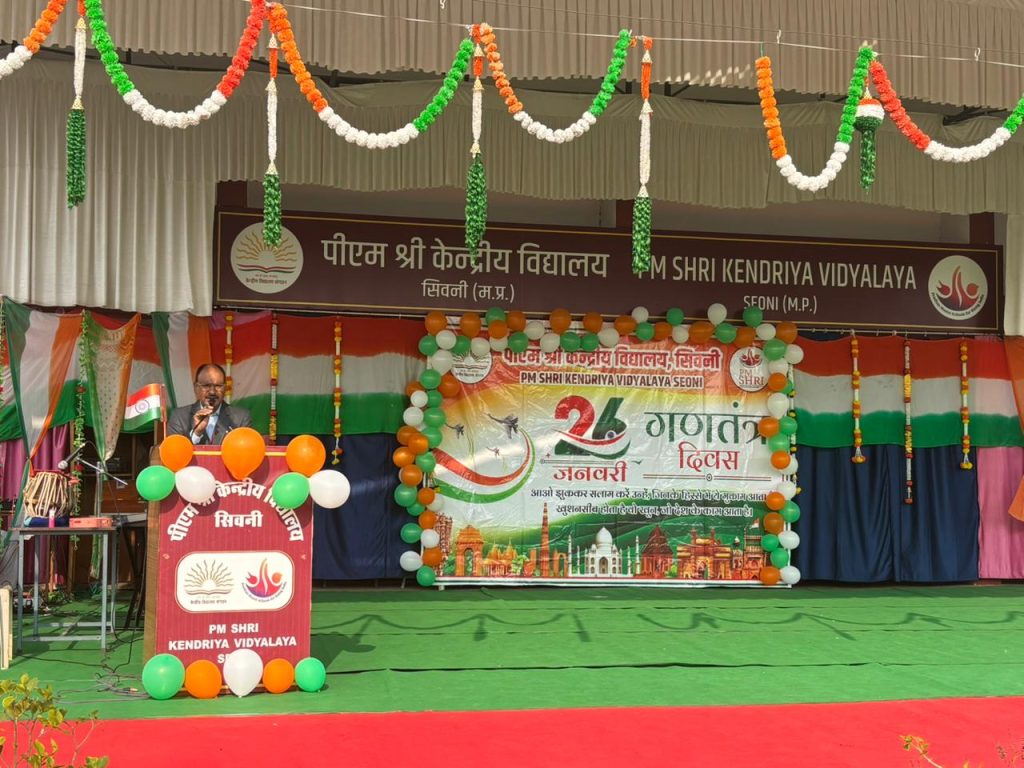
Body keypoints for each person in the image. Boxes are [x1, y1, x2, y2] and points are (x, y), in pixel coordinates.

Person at [167, 363, 253, 445]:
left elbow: (246, 452)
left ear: (225, 388)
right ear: (196, 388)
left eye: (218, 386)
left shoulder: (240, 419)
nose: (212, 392)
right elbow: (176, 452)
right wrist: (196, 433)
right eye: (206, 386)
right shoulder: (179, 418)